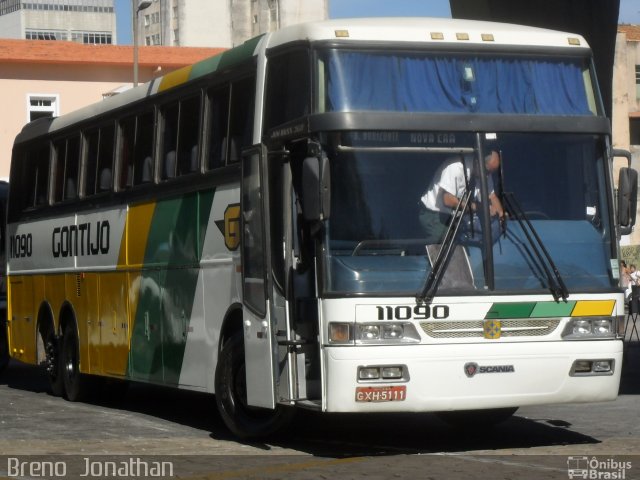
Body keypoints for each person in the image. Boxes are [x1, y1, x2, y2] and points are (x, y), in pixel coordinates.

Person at [419, 149, 504, 244]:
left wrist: (501, 216)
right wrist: (479, 207)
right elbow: (448, 200)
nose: (488, 176)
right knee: (444, 249)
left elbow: (492, 196)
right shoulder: (455, 167)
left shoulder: (485, 172)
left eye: (492, 173)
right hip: (435, 216)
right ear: (477, 162)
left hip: (457, 217)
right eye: (487, 172)